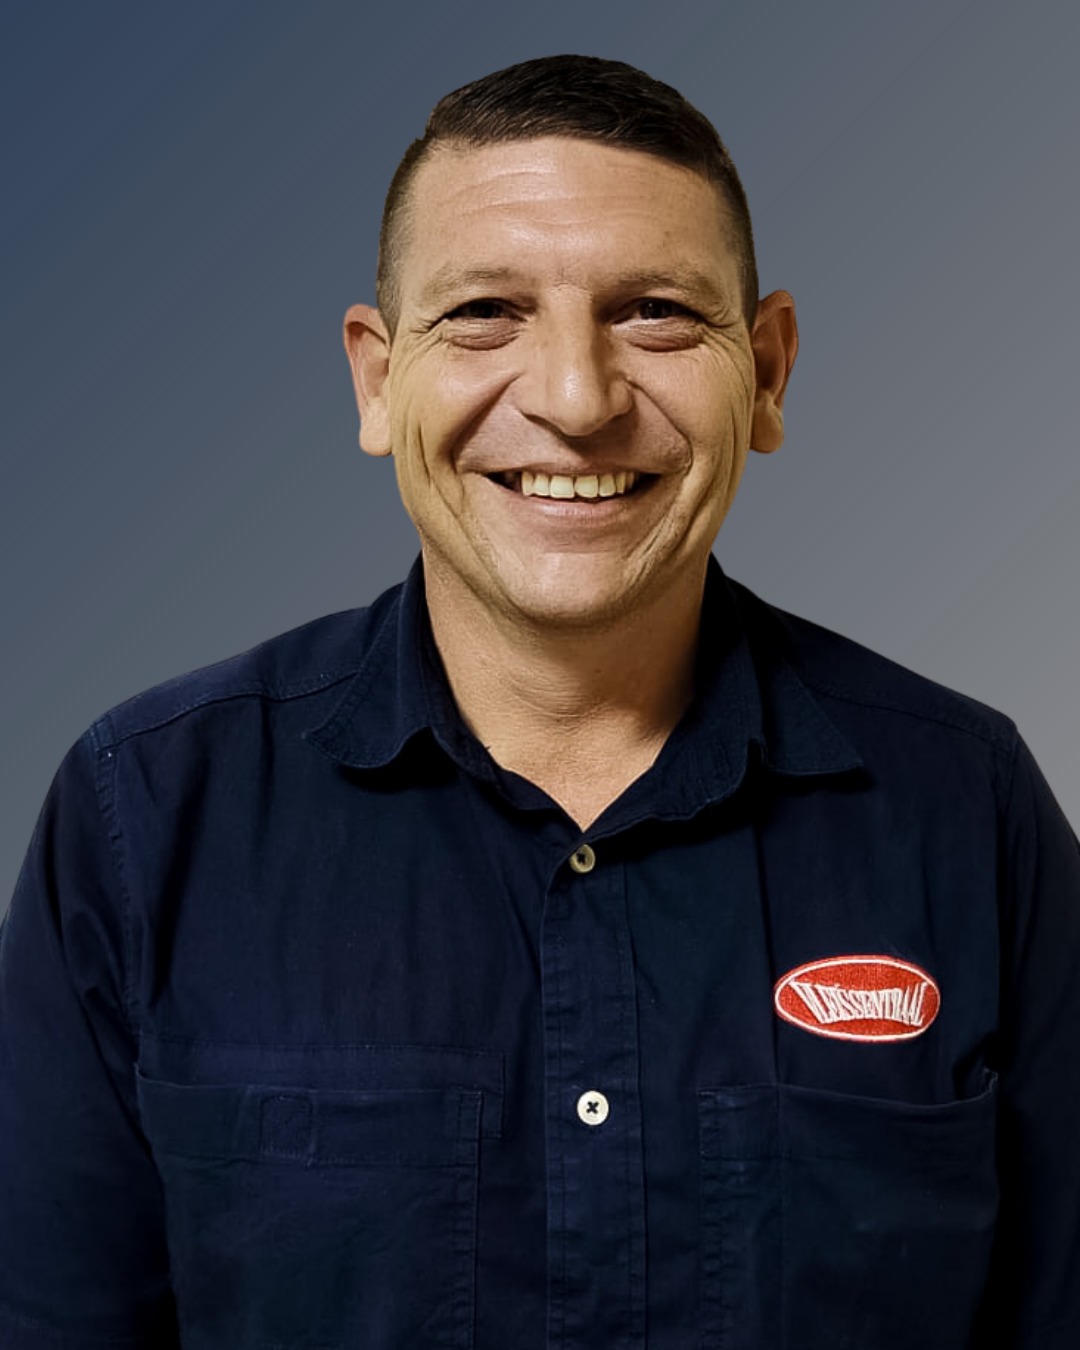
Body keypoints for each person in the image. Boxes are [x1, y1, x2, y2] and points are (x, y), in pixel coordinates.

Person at [1, 53, 1077, 1350]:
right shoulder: (143, 813)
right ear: (377, 381)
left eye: (656, 313)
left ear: (769, 372)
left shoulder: (970, 810)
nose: (575, 399)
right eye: (484, 313)